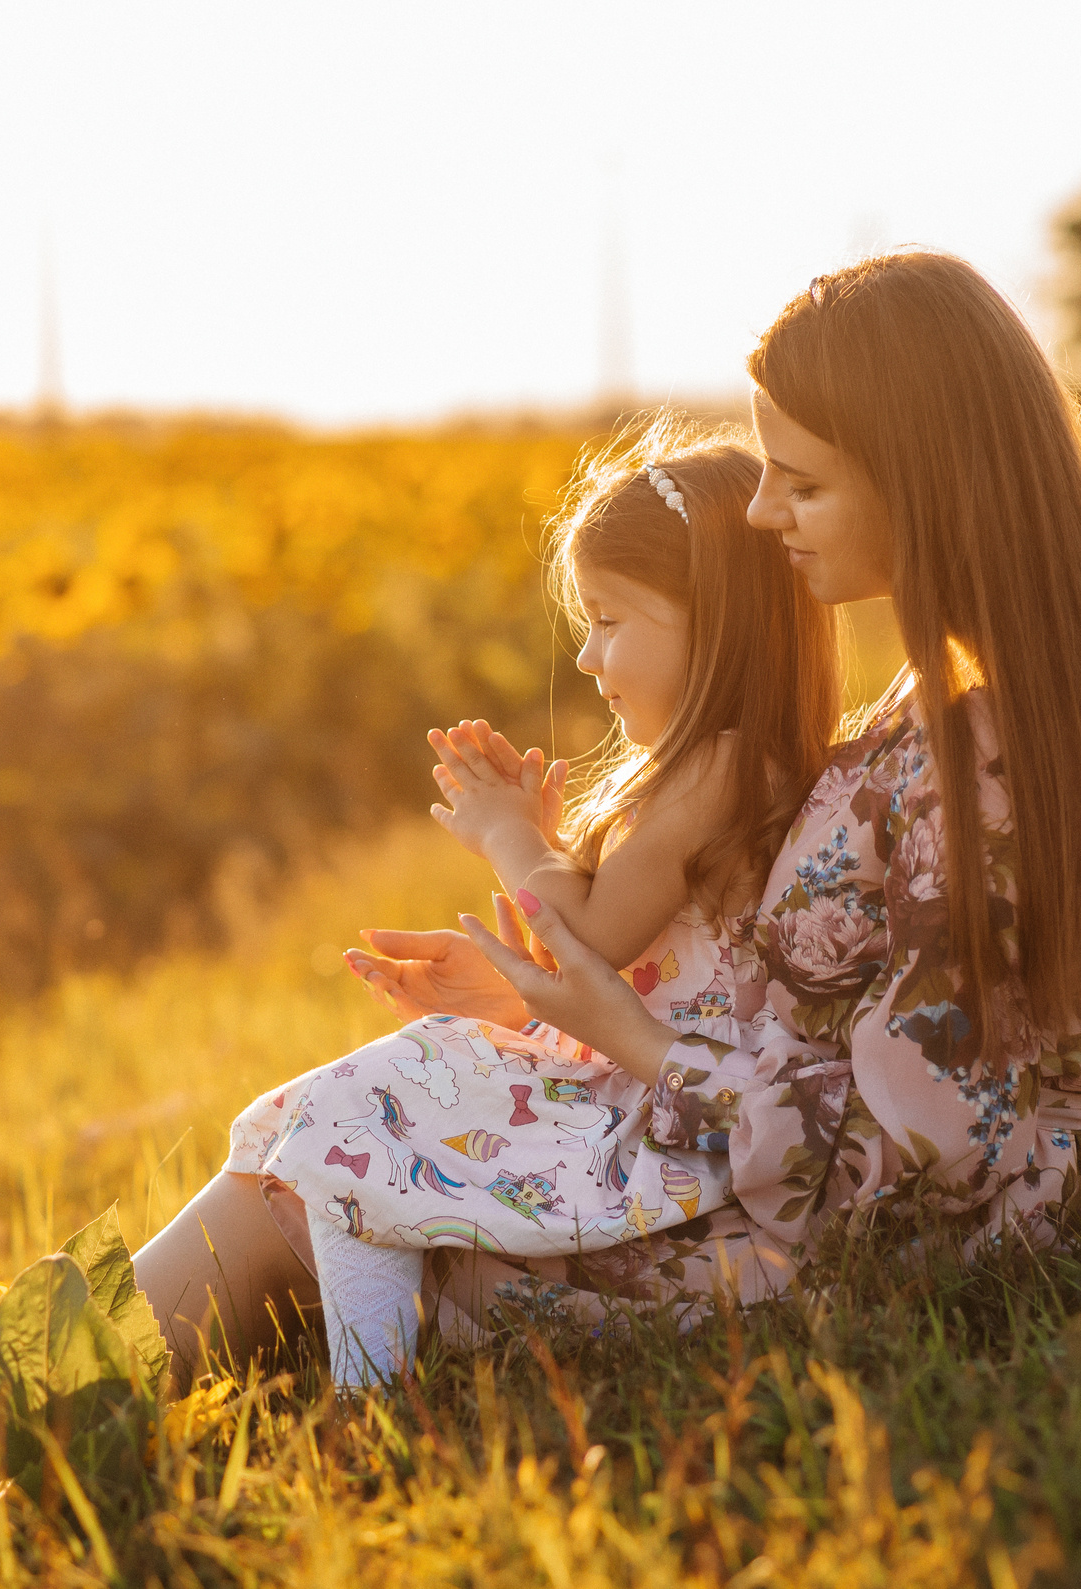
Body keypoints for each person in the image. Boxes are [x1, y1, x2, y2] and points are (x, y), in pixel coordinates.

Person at [131, 251, 1081, 1384]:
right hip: (824, 1184)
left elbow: (910, 1156)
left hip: (870, 1241)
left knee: (292, 1200)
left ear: (927, 481)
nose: (761, 511)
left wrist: (626, 1033)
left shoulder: (984, 767)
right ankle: (9, 1422)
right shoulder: (972, 706)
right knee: (338, 1152)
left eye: (801, 484)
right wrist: (538, 1001)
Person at [212, 418, 842, 1388]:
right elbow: (609, 956)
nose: (587, 657)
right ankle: (369, 1369)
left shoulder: (720, 765)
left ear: (717, 621)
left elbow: (585, 941)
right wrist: (548, 867)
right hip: (654, 1088)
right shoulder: (723, 767)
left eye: (611, 619)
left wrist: (515, 840)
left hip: (665, 1120)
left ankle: (372, 1384)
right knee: (397, 1088)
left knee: (390, 1089)